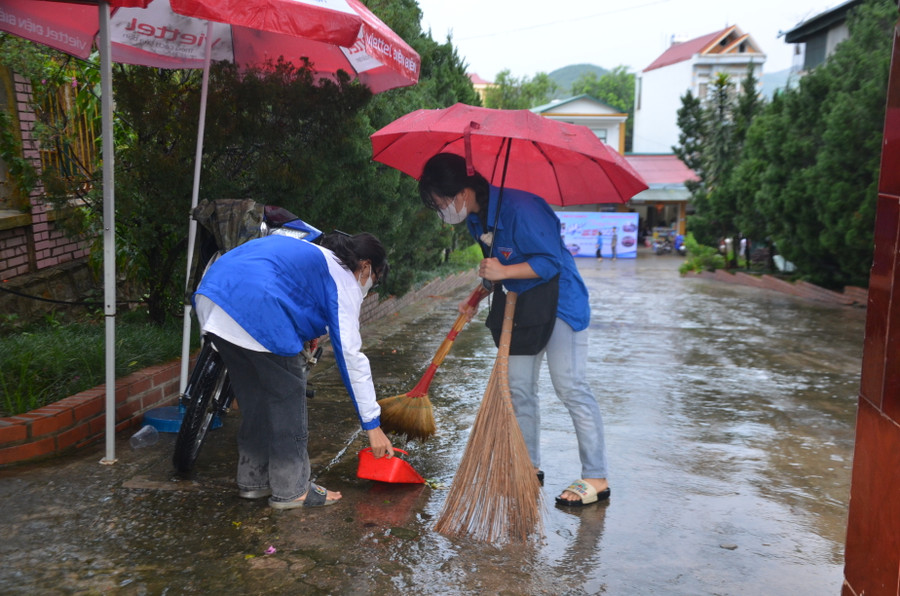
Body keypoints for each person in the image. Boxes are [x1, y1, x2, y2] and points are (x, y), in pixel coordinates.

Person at [418, 152, 610, 507]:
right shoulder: (477, 218)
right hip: (521, 306)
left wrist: (503, 272)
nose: (443, 210)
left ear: (462, 191)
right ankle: (528, 465)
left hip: (560, 303)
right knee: (520, 389)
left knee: (570, 386)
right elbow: (497, 267)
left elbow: (549, 262)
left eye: (442, 202)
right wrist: (477, 295)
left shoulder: (522, 208)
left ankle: (596, 476)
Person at [193, 231, 394, 509]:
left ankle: (253, 481)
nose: (370, 287)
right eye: (375, 280)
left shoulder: (316, 256)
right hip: (256, 306)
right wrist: (372, 425)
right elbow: (351, 357)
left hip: (213, 297)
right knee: (287, 395)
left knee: (254, 399)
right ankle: (293, 489)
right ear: (366, 267)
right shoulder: (344, 279)